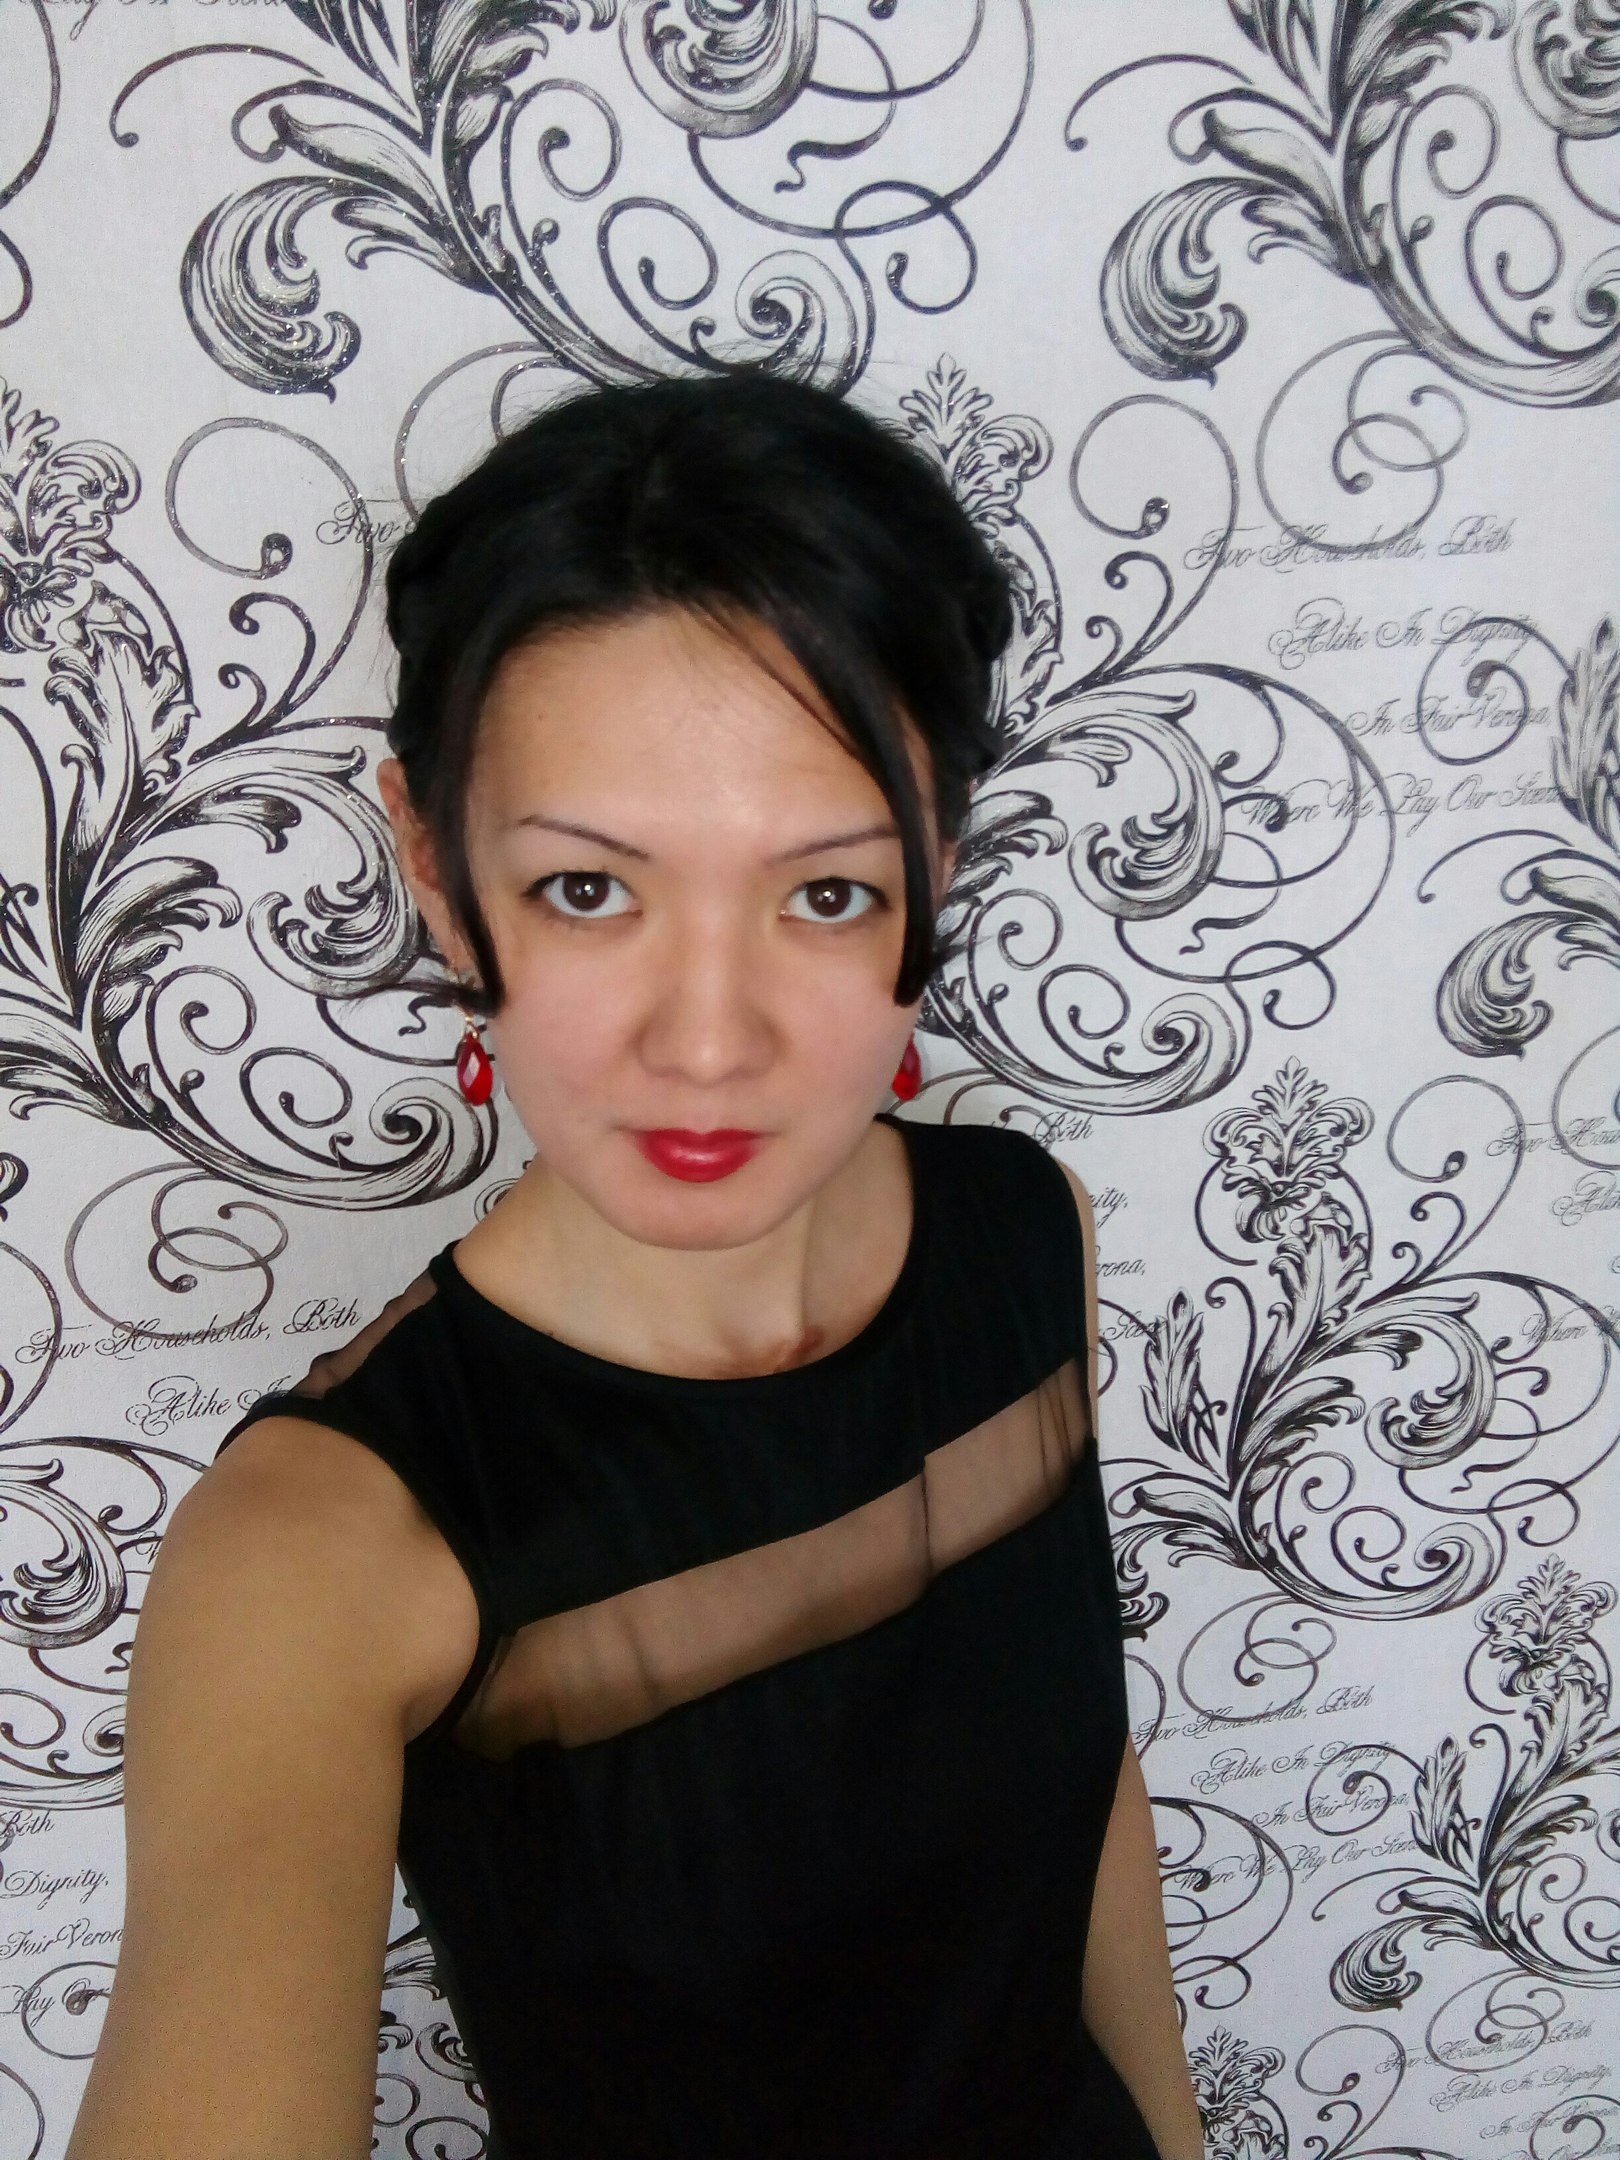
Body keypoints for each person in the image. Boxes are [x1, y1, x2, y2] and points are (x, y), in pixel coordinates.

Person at [66, 367, 1205, 2160]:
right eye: (589, 889)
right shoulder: (316, 1557)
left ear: (935, 871)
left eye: (827, 892)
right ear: (437, 870)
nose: (710, 1044)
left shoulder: (1019, 1227)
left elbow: (1089, 1800)